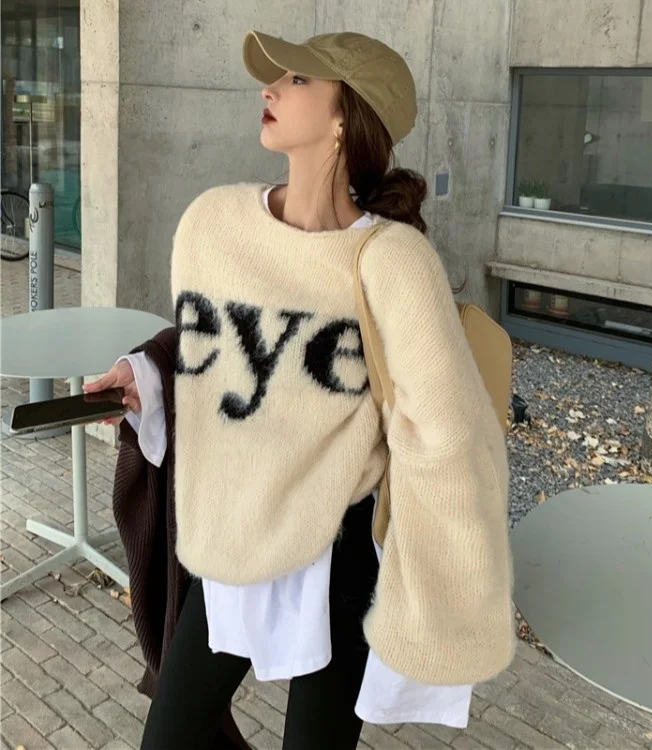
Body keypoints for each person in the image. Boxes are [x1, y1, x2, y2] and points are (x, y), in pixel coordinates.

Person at [86, 30, 515, 750]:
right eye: (277, 78)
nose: (271, 89)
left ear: (346, 114)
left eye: (298, 80)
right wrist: (149, 373)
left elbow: (446, 434)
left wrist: (452, 592)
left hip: (336, 550)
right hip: (232, 533)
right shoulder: (214, 223)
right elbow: (210, 345)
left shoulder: (393, 260)